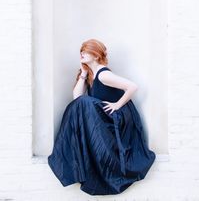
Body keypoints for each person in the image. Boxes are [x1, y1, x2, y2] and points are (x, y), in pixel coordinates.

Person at [48, 38, 156, 195]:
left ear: (96, 55)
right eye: (81, 51)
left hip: (119, 119)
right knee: (81, 103)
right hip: (105, 118)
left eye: (85, 51)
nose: (81, 54)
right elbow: (76, 97)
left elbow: (132, 86)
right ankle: (77, 158)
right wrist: (83, 74)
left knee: (84, 103)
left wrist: (117, 105)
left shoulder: (103, 75)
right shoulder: (91, 75)